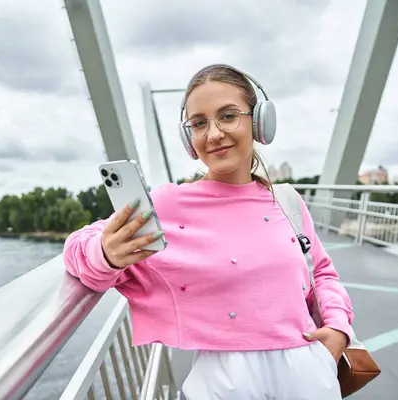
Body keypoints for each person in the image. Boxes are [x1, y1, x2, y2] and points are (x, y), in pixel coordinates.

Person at [63, 64, 353, 399]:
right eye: (199, 123)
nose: (213, 133)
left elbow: (321, 272)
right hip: (227, 384)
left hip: (309, 377)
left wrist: (337, 327)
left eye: (228, 116)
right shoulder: (169, 204)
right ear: (189, 137)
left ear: (258, 122)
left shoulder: (287, 201)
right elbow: (77, 248)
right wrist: (106, 254)